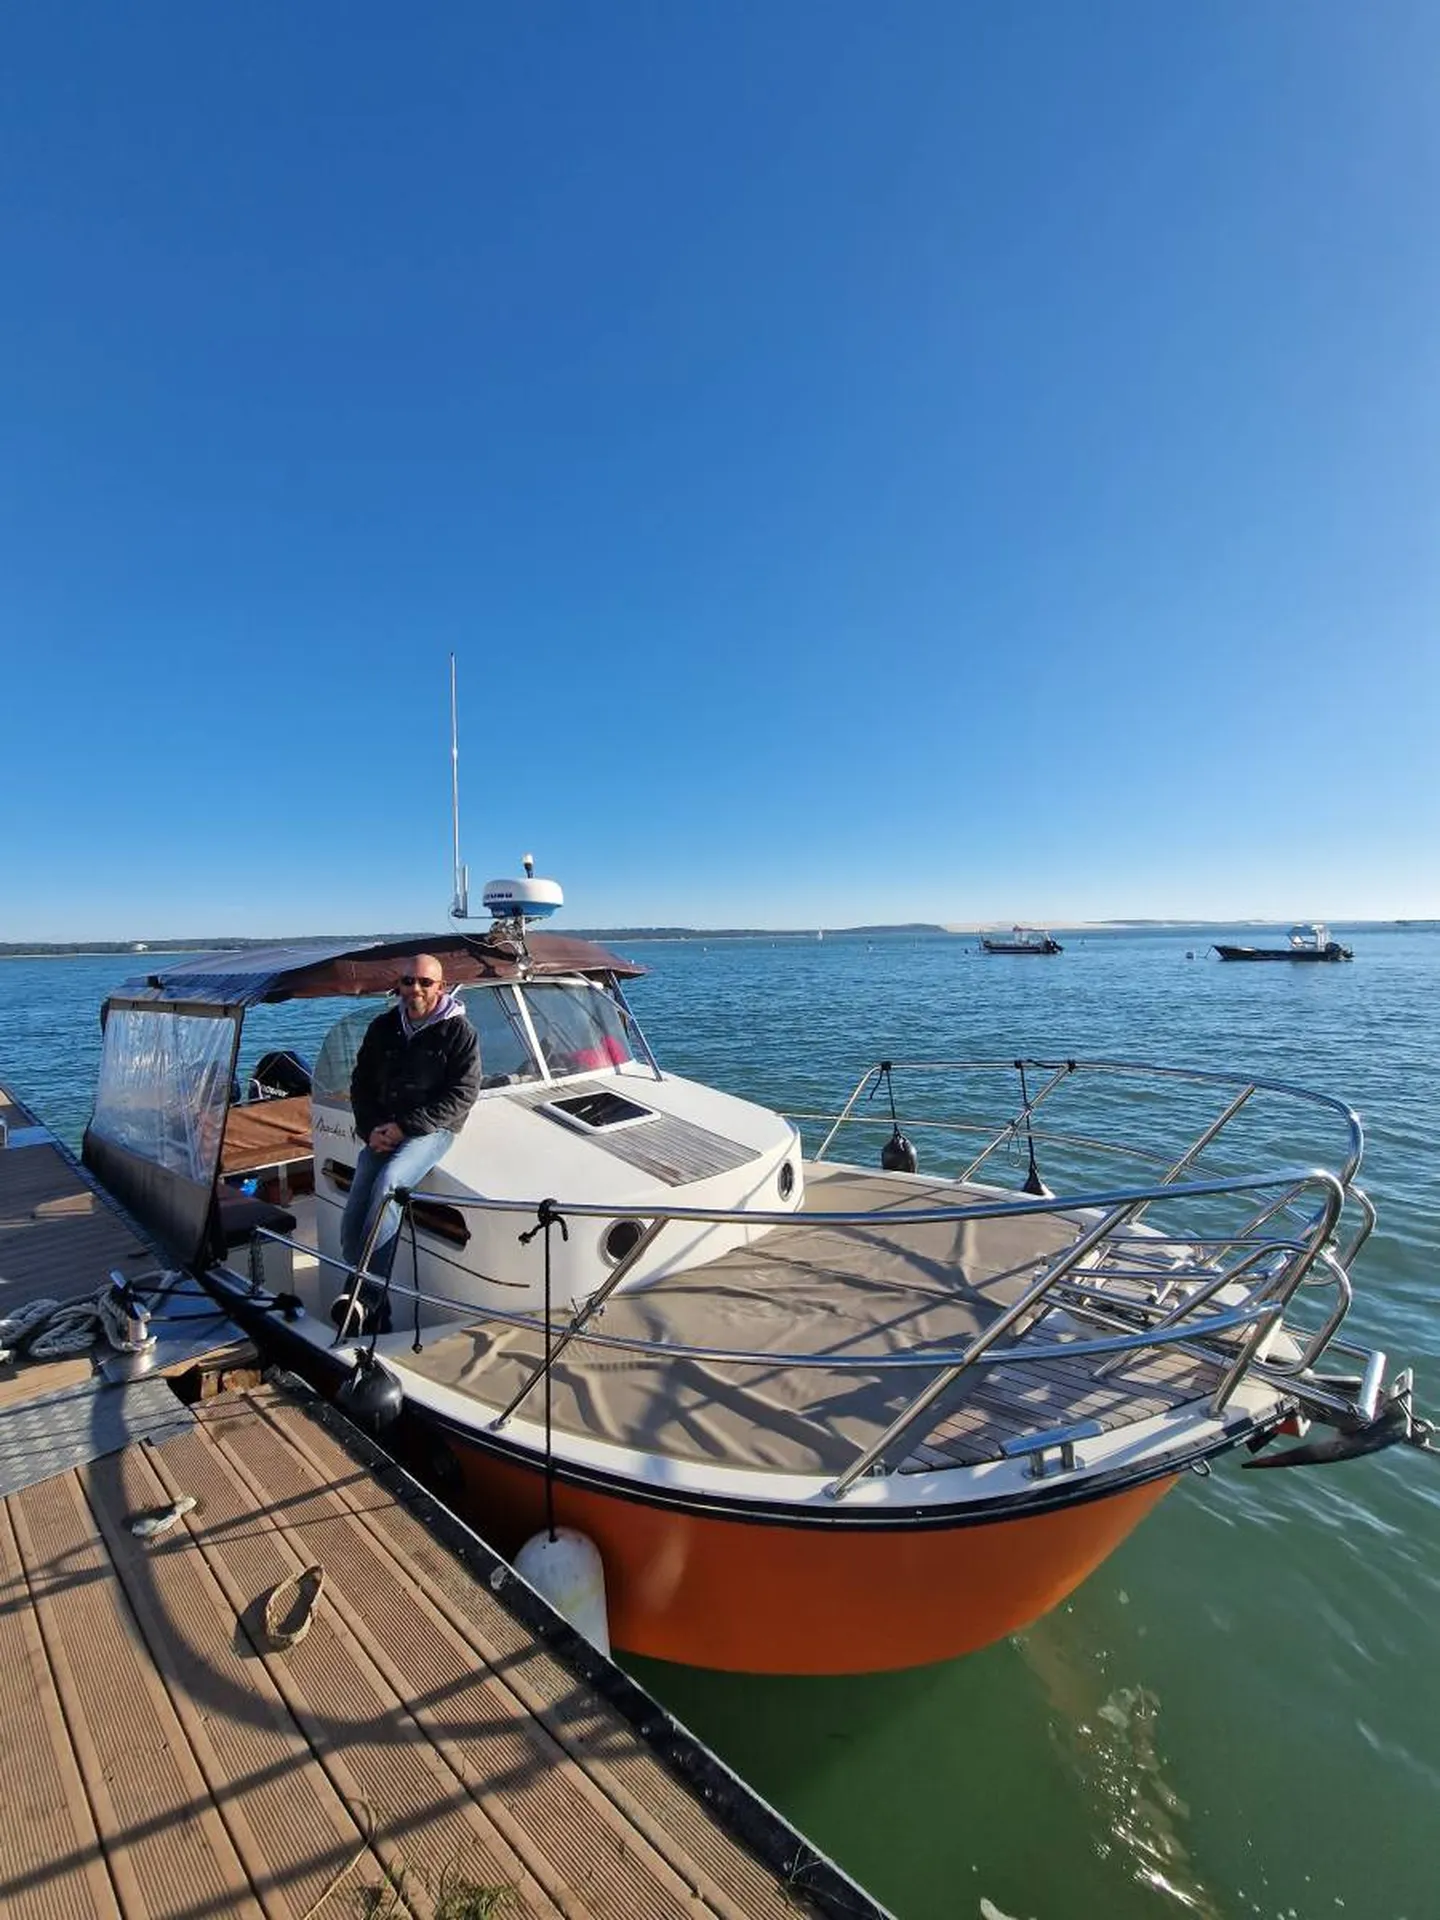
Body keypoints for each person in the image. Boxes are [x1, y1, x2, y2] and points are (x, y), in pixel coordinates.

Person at [338, 953, 481, 1320]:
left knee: (390, 1182)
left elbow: (463, 1094)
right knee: (354, 1212)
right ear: (398, 985)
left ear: (441, 987)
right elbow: (361, 1084)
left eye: (424, 982)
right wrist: (370, 1128)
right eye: (407, 981)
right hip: (383, 1127)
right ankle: (371, 1300)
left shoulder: (458, 1032)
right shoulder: (384, 1026)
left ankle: (364, 1296)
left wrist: (405, 1127)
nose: (415, 988)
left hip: (433, 1129)